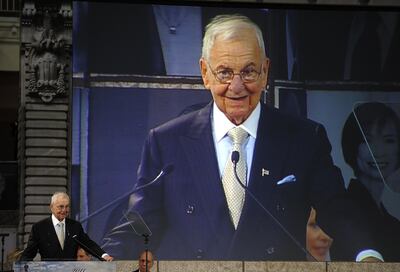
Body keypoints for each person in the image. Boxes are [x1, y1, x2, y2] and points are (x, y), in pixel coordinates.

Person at [103, 14, 379, 261]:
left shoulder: (304, 138)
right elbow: (141, 218)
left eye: (248, 71)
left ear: (265, 72)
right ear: (205, 73)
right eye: (224, 72)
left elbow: (336, 208)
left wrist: (367, 254)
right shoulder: (166, 141)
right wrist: (110, 254)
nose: (237, 87)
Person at [342, 102, 400, 262]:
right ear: (353, 146)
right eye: (367, 140)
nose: (378, 151)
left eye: (388, 141)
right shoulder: (344, 212)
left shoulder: (392, 222)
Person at [20, 192, 113, 261]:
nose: (64, 210)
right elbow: (29, 252)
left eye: (67, 206)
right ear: (51, 207)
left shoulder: (75, 226)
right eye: (61, 206)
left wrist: (104, 255)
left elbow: (88, 244)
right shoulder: (39, 227)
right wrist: (20, 266)